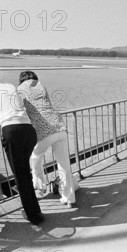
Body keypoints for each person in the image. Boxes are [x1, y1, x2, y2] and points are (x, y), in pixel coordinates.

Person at [0, 62, 44, 225]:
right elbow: (14, 108)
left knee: (20, 176)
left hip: (12, 132)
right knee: (25, 173)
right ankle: (35, 211)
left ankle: (33, 216)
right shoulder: (11, 86)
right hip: (28, 131)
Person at [17, 71, 78, 208]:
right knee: (64, 166)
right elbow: (48, 104)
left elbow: (21, 111)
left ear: (21, 80)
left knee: (35, 157)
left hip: (44, 131)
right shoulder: (41, 85)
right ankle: (69, 199)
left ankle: (40, 186)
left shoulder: (19, 90)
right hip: (59, 126)